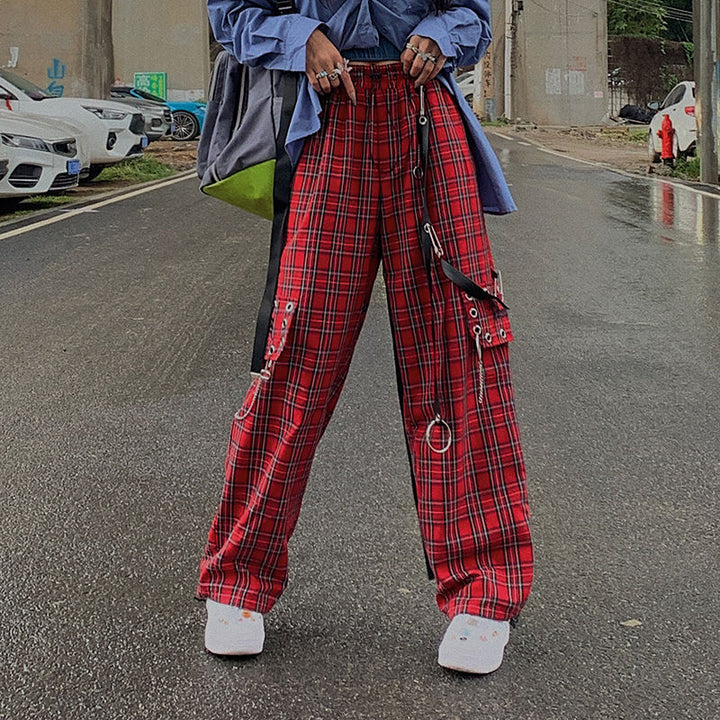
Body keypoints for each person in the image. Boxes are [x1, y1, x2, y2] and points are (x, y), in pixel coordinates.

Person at [197, 0, 533, 675]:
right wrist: (304, 37)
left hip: (425, 121)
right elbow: (231, 12)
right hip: (329, 125)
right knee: (296, 357)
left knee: (459, 351)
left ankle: (484, 594)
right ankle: (238, 580)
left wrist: (439, 36)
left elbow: (473, 15)